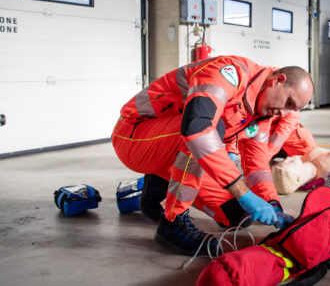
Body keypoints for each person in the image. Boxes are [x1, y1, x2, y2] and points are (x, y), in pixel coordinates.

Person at [111, 56, 313, 255]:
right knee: (208, 131)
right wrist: (243, 192)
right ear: (277, 80)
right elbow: (197, 130)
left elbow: (257, 163)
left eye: (292, 110)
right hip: (134, 136)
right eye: (288, 103)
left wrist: (272, 203)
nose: (284, 114)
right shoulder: (229, 72)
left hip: (172, 145)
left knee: (237, 216)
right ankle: (172, 223)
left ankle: (157, 184)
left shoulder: (263, 115)